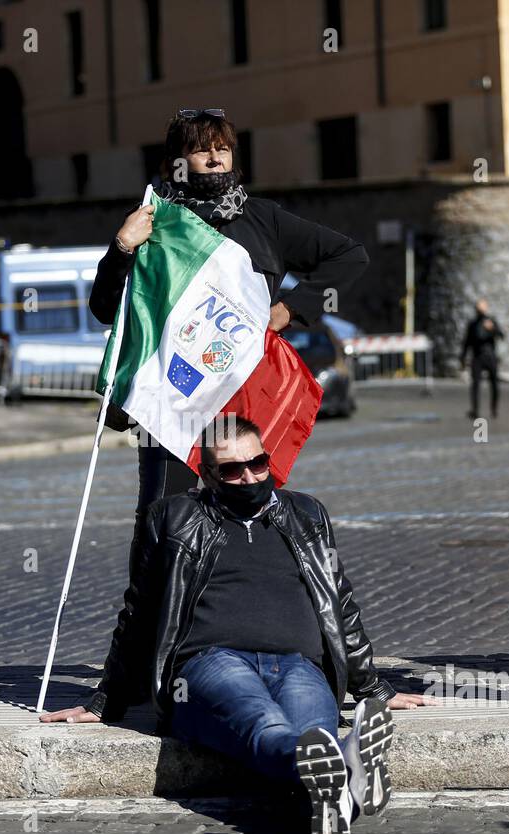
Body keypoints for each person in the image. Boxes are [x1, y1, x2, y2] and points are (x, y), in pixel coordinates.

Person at [42, 415, 434, 834]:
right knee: (262, 720)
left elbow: (339, 602)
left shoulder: (307, 513)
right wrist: (106, 699)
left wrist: (372, 687)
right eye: (231, 470)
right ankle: (348, 768)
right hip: (210, 665)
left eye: (258, 463)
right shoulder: (173, 518)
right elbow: (139, 611)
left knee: (312, 731)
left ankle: (336, 793)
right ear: (207, 474)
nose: (248, 476)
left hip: (300, 664)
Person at [88, 107, 369, 561]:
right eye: (201, 150)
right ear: (175, 162)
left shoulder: (264, 220)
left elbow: (350, 257)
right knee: (163, 523)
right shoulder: (153, 222)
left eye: (222, 149)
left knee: (250, 514)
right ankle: (157, 624)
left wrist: (291, 309)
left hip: (244, 394)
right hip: (172, 395)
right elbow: (105, 310)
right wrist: (122, 246)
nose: (216, 159)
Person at [460, 299, 505, 418]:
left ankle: (494, 410)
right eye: (478, 307)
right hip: (477, 356)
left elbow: (501, 335)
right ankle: (475, 410)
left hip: (490, 356)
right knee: (475, 384)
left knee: (494, 384)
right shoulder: (473, 324)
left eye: (482, 307)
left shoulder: (491, 321)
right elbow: (467, 341)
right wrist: (463, 357)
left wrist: (492, 328)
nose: (480, 310)